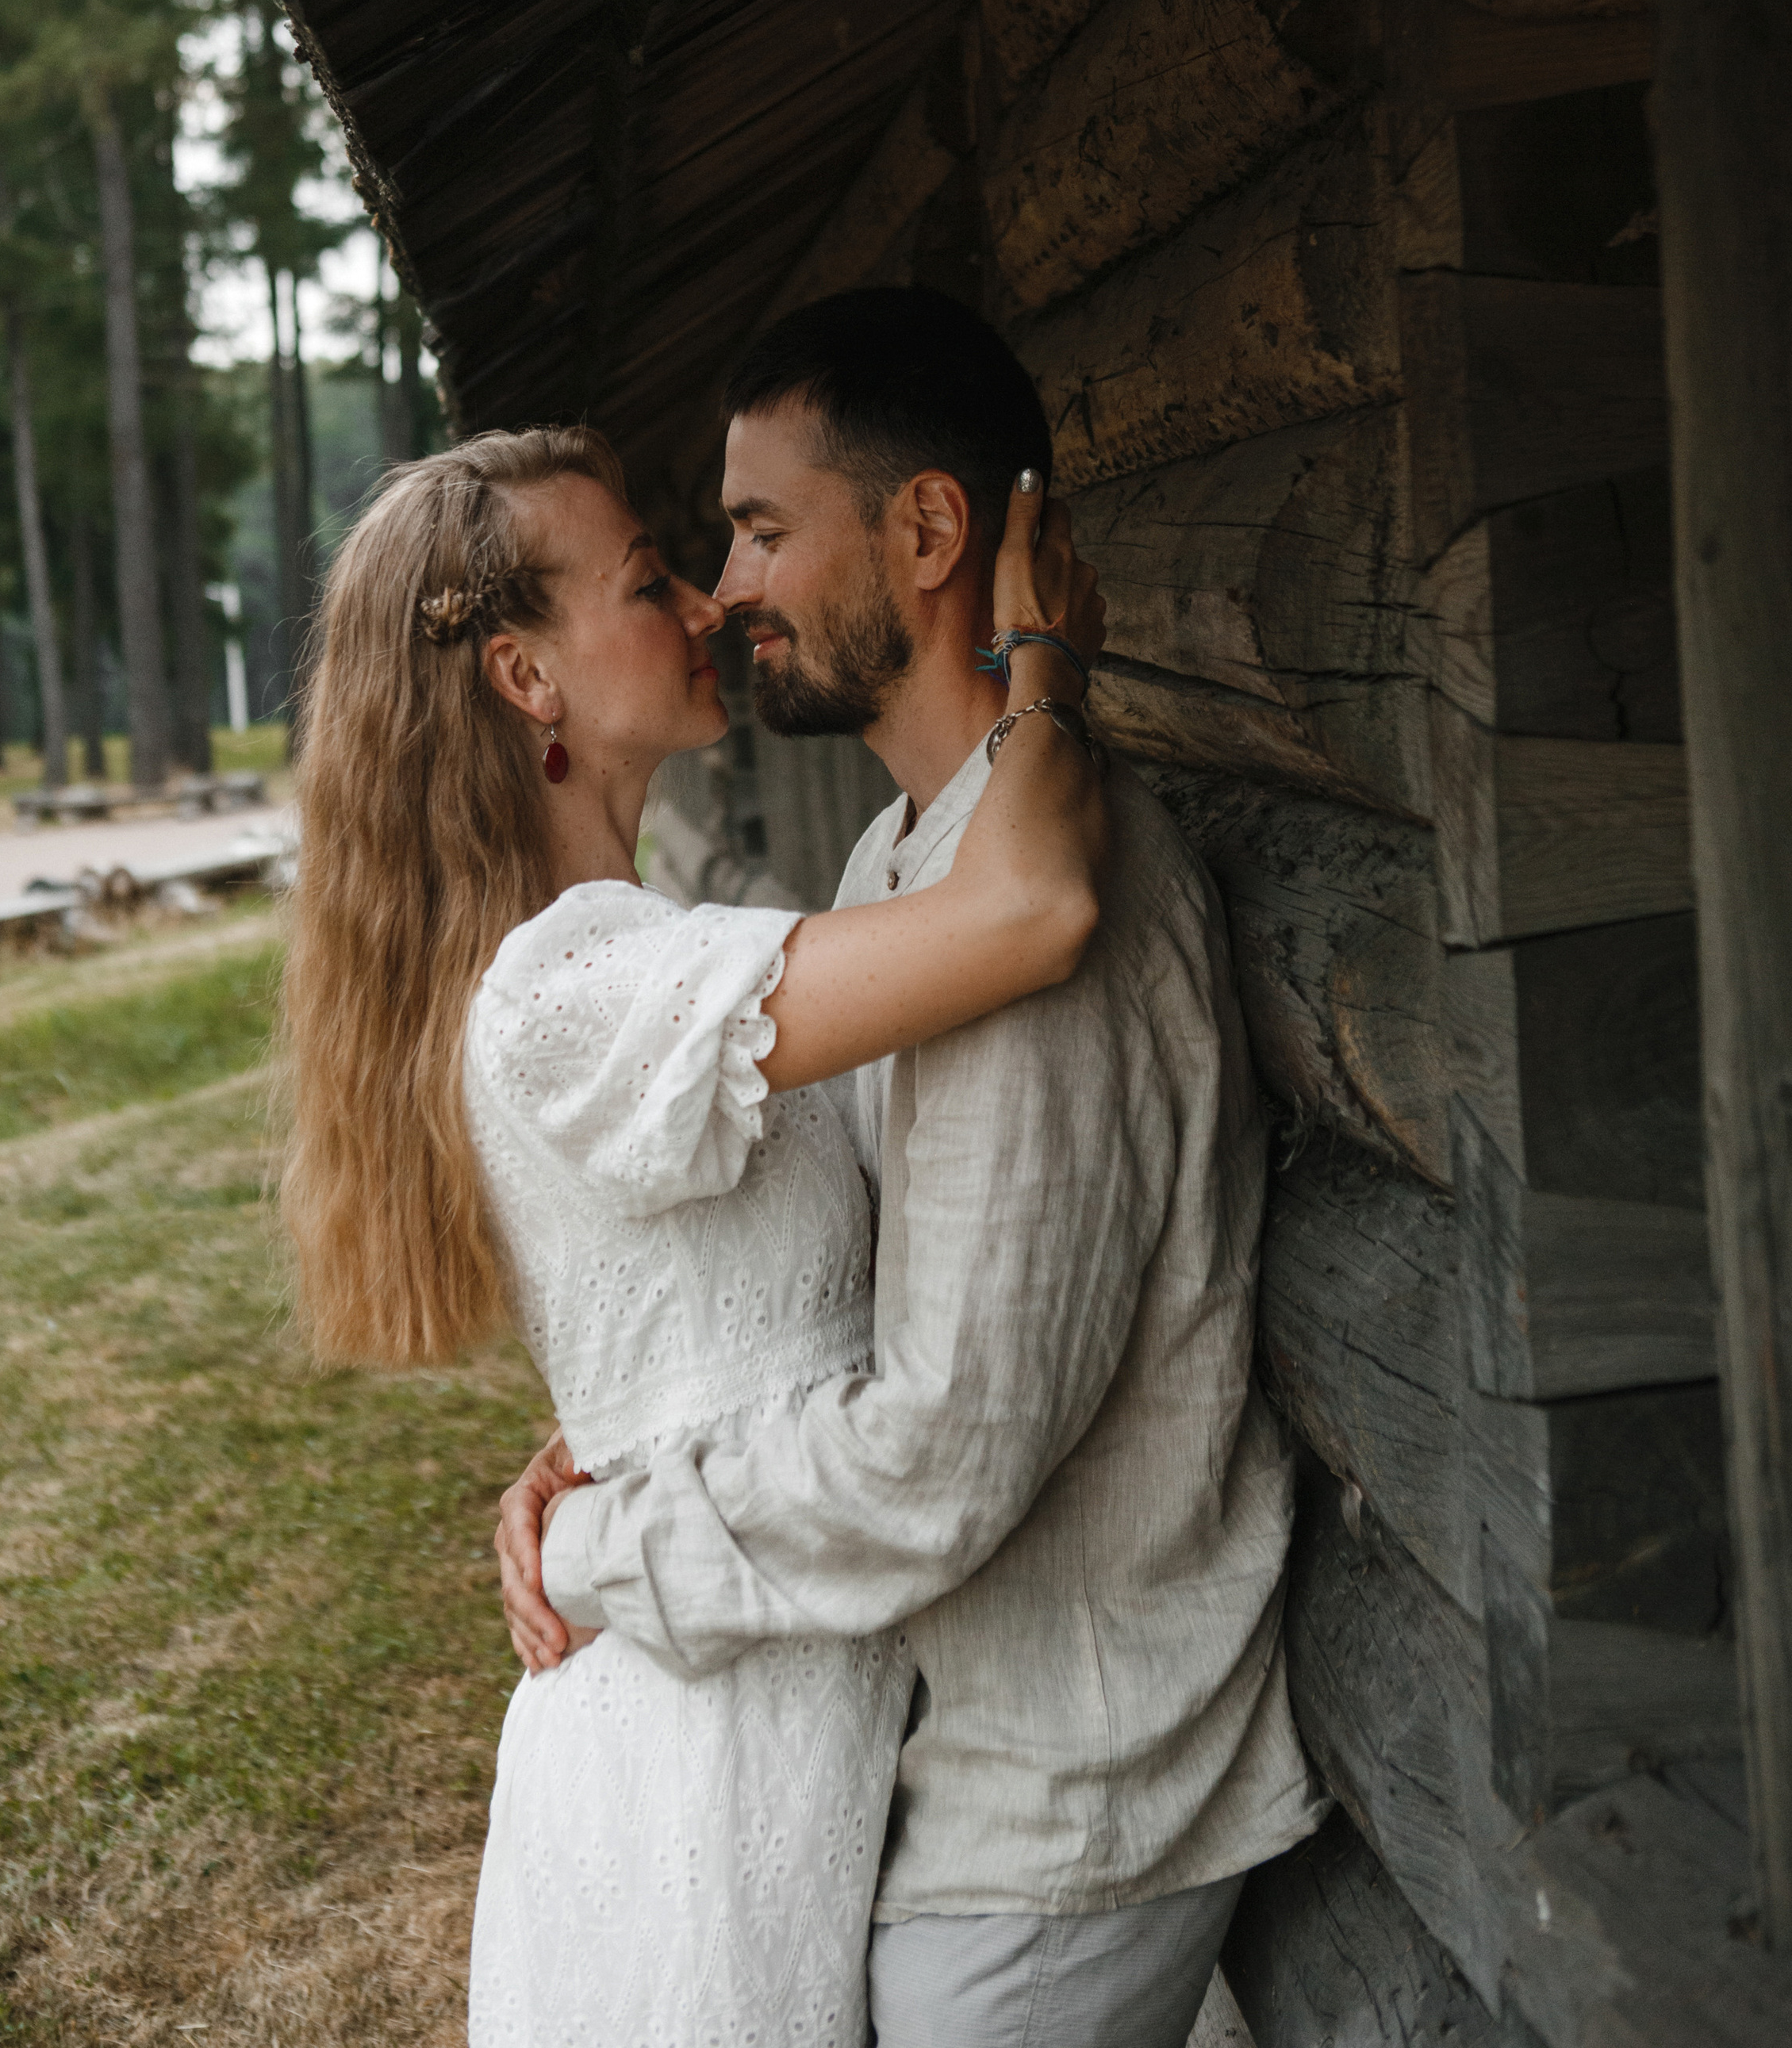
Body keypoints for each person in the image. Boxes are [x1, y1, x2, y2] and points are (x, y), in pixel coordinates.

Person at [498, 290, 1327, 2048]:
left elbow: (942, 1448)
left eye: (760, 528)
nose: (726, 588)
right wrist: (627, 1435)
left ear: (930, 531)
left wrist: (607, 1550)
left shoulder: (1040, 919)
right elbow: (856, 1281)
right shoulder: (903, 864)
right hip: (951, 1765)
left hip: (1060, 1798)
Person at [278, 417, 1110, 2048]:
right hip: (703, 1757)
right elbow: (1035, 909)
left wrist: (582, 1442)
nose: (707, 605)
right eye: (649, 579)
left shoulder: (607, 961)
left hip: (756, 1664)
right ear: (526, 680)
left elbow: (690, 1298)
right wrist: (1044, 664)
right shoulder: (576, 985)